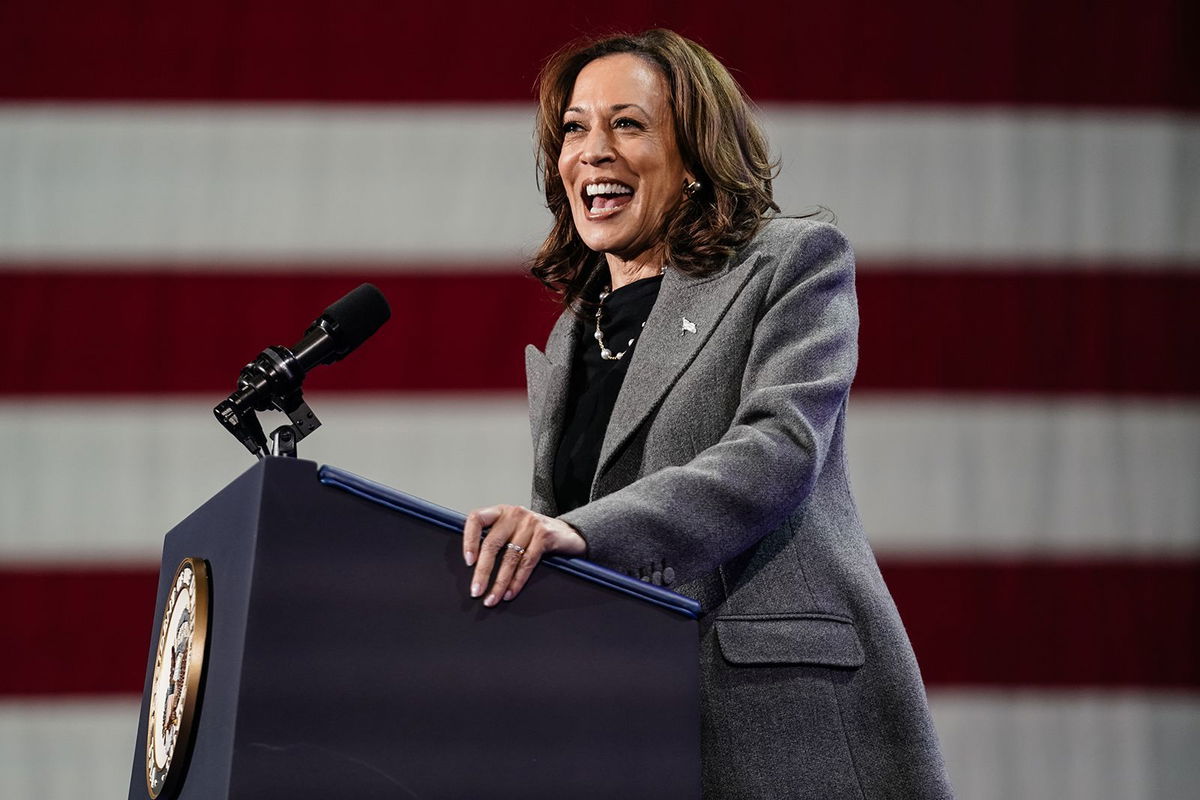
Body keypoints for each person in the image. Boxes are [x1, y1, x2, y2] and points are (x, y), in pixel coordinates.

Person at [461, 29, 954, 798]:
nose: (593, 150)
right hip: (627, 726)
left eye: (627, 123)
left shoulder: (789, 262)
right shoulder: (573, 332)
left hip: (774, 708)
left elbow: (779, 449)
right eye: (575, 128)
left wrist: (584, 533)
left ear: (693, 156)